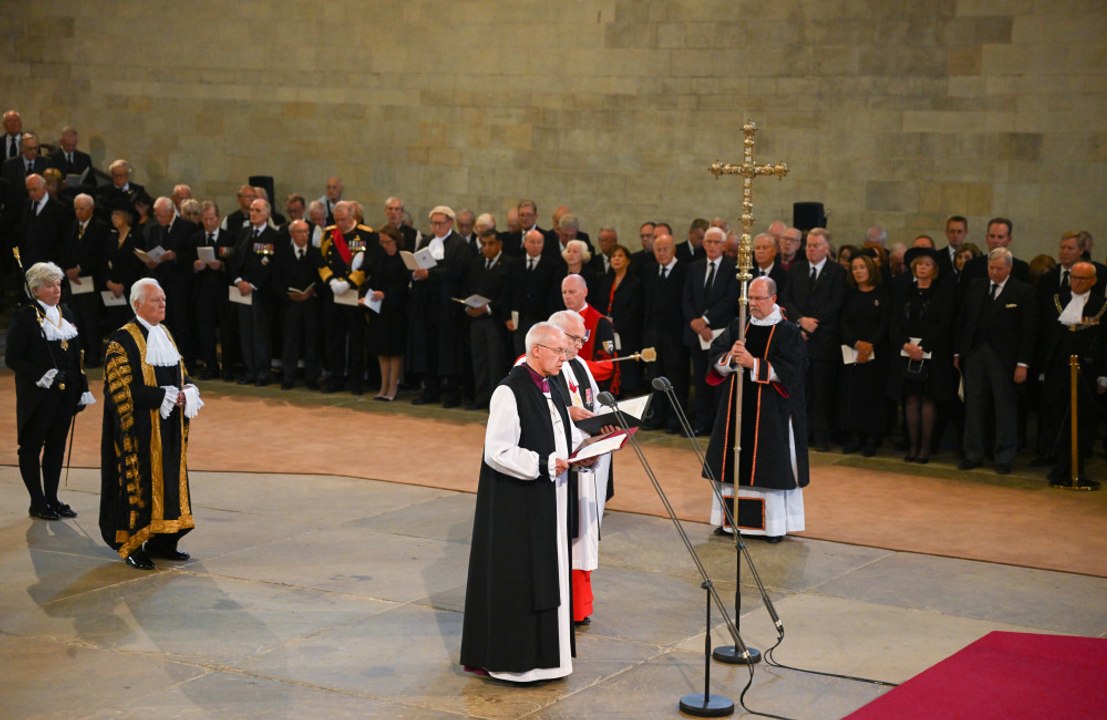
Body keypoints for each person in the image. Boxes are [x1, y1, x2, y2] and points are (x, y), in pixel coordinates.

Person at [460, 322, 582, 682]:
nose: (565, 356)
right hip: (519, 502)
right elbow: (496, 452)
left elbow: (562, 433)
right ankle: (516, 663)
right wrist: (543, 464)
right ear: (537, 350)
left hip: (551, 497)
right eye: (559, 351)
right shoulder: (509, 391)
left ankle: (550, 659)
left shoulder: (553, 384)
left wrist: (582, 454)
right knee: (523, 578)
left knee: (549, 573)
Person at [99, 278, 203, 570]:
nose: (162, 304)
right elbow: (120, 391)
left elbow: (182, 373)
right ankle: (133, 544)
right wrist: (163, 396)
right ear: (137, 305)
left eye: (164, 299)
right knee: (139, 487)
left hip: (168, 427)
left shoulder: (165, 333)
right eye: (156, 300)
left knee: (169, 483)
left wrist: (189, 391)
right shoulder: (122, 340)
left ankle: (163, 540)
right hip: (139, 430)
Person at [702, 276, 809, 542]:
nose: (753, 304)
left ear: (773, 299)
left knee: (768, 464)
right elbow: (716, 355)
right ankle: (730, 522)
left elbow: (793, 370)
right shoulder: (740, 325)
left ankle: (771, 526)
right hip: (735, 407)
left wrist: (753, 363)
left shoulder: (787, 331)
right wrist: (730, 358)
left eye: (759, 298)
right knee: (732, 460)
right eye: (750, 298)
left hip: (771, 411)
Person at [6, 261, 94, 520]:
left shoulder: (65, 311)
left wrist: (82, 388)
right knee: (32, 447)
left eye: (58, 284)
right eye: (49, 285)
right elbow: (13, 358)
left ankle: (53, 499)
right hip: (38, 395)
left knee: (56, 446)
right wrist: (42, 375)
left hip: (65, 392)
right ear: (35, 290)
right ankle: (37, 501)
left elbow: (78, 355)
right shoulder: (25, 317)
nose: (56, 289)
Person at [547, 309, 614, 627]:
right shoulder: (539, 367)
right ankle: (566, 603)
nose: (580, 344)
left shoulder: (580, 365)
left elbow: (592, 405)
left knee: (583, 534)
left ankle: (580, 605)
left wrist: (610, 417)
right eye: (576, 338)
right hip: (564, 464)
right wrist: (569, 413)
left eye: (582, 337)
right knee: (567, 536)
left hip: (587, 460)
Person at [956, 248, 1037, 474]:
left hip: (1005, 358)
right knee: (974, 406)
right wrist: (958, 353)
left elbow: (1028, 331)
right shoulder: (976, 286)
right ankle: (973, 453)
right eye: (991, 268)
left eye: (999, 268)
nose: (994, 272)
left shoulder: (1022, 291)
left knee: (1005, 408)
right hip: (974, 353)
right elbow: (964, 320)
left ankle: (1004, 456)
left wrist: (1023, 363)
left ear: (1009, 268)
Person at [1036, 262, 1107, 484]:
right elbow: (1046, 337)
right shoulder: (1057, 300)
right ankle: (1060, 465)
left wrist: (1104, 375)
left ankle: (1078, 468)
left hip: (1087, 373)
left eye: (1083, 279)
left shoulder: (1102, 306)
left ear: (1093, 281)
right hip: (1058, 370)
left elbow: (1105, 344)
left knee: (1084, 421)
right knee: (1058, 417)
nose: (1077, 282)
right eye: (1074, 278)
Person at [781, 227, 847, 451]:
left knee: (822, 392)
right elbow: (787, 299)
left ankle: (821, 436)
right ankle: (802, 434)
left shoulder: (836, 271)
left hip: (823, 339)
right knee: (801, 390)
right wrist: (800, 321)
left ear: (826, 248)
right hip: (798, 338)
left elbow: (835, 302)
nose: (810, 249)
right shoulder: (797, 269)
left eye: (815, 245)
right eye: (808, 245)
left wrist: (812, 324)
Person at [887, 248, 955, 464]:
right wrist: (906, 345)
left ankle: (926, 448)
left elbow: (944, 323)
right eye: (920, 264)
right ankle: (912, 446)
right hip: (906, 350)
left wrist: (923, 346)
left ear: (934, 269)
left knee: (928, 399)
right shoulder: (904, 290)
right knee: (910, 399)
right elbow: (894, 321)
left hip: (932, 352)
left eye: (928, 264)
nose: (923, 267)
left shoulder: (942, 292)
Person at [837, 252, 891, 456]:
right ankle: (856, 436)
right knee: (853, 394)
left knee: (873, 396)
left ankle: (872, 438)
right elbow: (843, 322)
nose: (858, 271)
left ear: (871, 269)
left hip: (876, 352)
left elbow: (884, 323)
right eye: (855, 268)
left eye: (862, 267)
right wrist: (856, 343)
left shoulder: (883, 294)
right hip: (851, 351)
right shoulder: (849, 294)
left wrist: (869, 345)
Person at [274, 219, 324, 390]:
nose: (304, 235)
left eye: (306, 232)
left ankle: (312, 377)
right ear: (292, 234)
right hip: (291, 304)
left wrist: (313, 292)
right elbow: (276, 280)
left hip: (311, 304)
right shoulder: (282, 254)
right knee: (290, 340)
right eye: (300, 232)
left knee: (312, 341)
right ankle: (288, 376)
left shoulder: (316, 253)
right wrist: (289, 295)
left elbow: (322, 278)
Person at [365, 225, 409, 400]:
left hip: (396, 311)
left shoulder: (402, 259)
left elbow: (404, 286)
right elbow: (373, 280)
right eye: (382, 242)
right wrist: (369, 295)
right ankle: (383, 386)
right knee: (381, 351)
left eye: (388, 241)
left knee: (394, 351)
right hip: (379, 310)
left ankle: (392, 387)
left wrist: (386, 294)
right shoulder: (379, 258)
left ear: (396, 241)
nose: (385, 245)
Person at [593, 244, 643, 396]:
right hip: (607, 331)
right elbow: (600, 304)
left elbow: (635, 310)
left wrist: (616, 325)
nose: (616, 259)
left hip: (626, 332)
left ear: (628, 260)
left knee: (626, 367)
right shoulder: (605, 280)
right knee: (609, 361)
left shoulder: (635, 282)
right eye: (613, 256)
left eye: (620, 256)